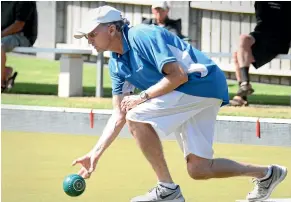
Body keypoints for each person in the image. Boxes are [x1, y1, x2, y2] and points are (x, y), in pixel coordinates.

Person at [72, 6, 287, 202]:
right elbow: (118, 114)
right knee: (199, 169)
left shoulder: (142, 35)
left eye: (92, 34)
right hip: (194, 91)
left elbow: (179, 75)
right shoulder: (117, 63)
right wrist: (95, 154)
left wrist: (142, 97)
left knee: (135, 115)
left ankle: (167, 189)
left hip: (200, 83)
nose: (88, 39)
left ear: (111, 30)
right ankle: (267, 174)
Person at [230, 1, 291, 106]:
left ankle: (241, 95)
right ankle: (244, 86)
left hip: (280, 38)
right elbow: (264, 21)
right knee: (242, 44)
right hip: (262, 35)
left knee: (238, 55)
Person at [1, 1, 38, 93]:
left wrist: (1, 34)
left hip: (22, 36)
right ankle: (5, 71)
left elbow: (19, 25)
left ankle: (1, 82)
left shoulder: (24, 2)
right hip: (5, 34)